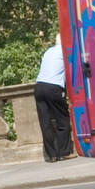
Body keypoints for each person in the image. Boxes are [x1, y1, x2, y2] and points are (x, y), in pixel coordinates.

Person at [35, 34, 73, 162]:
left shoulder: (48, 51)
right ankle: (64, 152)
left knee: (45, 123)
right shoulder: (66, 52)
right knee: (62, 120)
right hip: (54, 87)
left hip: (39, 87)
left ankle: (51, 155)